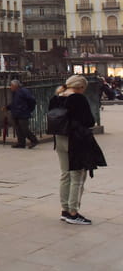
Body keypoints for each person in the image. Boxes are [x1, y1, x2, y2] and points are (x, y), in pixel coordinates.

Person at [49, 74, 106, 225]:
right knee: (78, 176)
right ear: (81, 87)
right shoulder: (78, 98)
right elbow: (89, 120)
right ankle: (73, 212)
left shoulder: (56, 97)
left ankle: (65, 209)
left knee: (65, 174)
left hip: (60, 139)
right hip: (75, 140)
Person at [6, 79, 38, 149]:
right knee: (18, 129)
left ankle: (34, 140)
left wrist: (29, 109)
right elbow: (14, 103)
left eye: (11, 86)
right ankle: (21, 143)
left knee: (24, 129)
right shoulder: (15, 92)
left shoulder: (24, 91)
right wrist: (8, 107)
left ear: (15, 86)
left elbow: (32, 100)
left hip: (23, 113)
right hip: (16, 113)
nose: (10, 87)